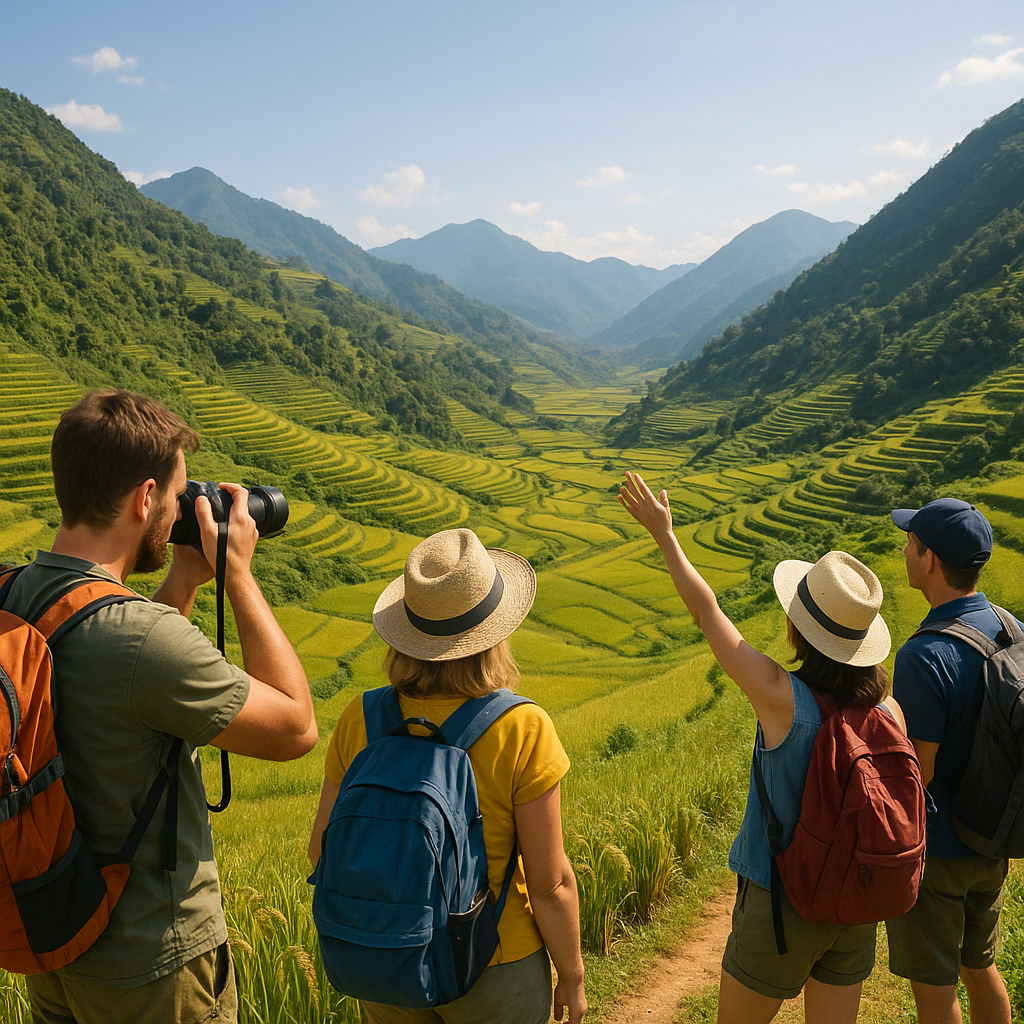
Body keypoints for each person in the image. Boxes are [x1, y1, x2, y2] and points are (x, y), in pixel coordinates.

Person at [5, 389, 318, 1024]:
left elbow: (129, 687)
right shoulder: (142, 640)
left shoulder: (12, 592)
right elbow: (295, 726)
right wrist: (238, 574)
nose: (180, 510)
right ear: (145, 499)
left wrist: (181, 582)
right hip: (152, 960)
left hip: (54, 935)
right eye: (175, 497)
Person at [619, 471, 905, 1024]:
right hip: (857, 900)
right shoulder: (888, 710)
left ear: (798, 629)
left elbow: (708, 613)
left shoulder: (781, 699)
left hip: (781, 902)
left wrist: (664, 535)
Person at [308, 527, 586, 1024]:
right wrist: (573, 975)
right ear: (494, 633)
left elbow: (320, 851)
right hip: (495, 962)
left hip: (390, 958)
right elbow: (549, 884)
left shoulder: (362, 717)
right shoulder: (522, 726)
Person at [886, 498, 1014, 1024]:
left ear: (930, 560)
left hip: (940, 850)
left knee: (934, 985)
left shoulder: (922, 656)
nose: (905, 550)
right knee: (979, 966)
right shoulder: (1013, 628)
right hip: (998, 832)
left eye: (911, 543)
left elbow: (920, 771)